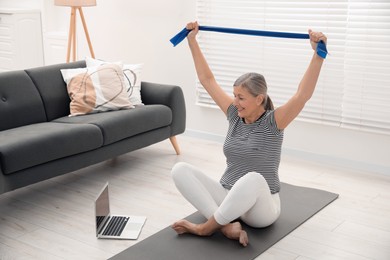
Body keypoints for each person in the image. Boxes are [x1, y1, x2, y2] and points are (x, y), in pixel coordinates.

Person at [171, 21, 327, 246]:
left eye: (240, 97)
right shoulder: (235, 114)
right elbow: (207, 80)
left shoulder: (274, 122)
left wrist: (317, 55)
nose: (235, 102)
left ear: (259, 99)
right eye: (234, 95)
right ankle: (225, 226)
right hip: (228, 197)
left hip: (259, 210)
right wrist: (192, 41)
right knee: (180, 169)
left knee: (253, 178)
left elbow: (301, 95)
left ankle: (206, 228)